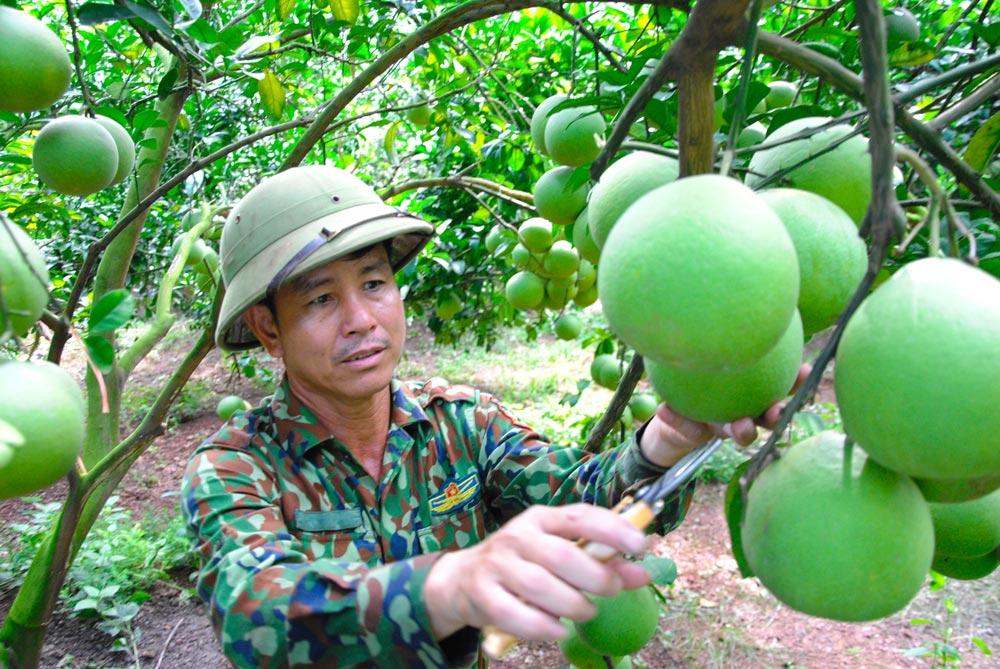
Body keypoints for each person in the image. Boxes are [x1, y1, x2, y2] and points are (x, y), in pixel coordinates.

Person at [181, 165, 790, 669]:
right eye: (320, 298)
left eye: (373, 283)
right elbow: (254, 613)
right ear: (268, 328)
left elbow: (576, 503)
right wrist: (449, 585)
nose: (361, 318)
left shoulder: (461, 424)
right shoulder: (236, 465)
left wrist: (666, 442)